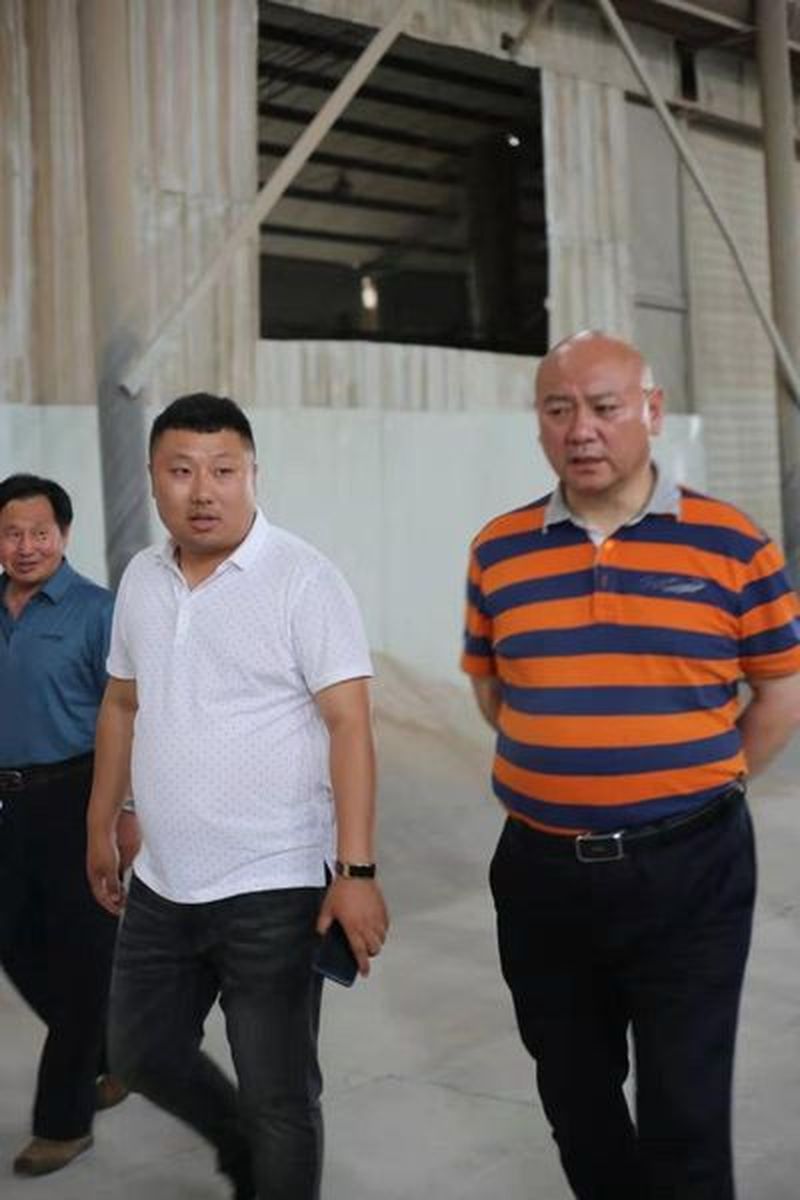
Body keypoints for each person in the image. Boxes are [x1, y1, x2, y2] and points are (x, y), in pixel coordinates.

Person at [461, 331, 800, 1200]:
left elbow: (780, 692)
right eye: (558, 409)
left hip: (690, 871)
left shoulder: (732, 544)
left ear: (651, 411)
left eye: (604, 407)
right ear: (539, 423)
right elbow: (495, 692)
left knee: (685, 1113)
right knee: (575, 1097)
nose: (581, 429)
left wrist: (702, 783)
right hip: (541, 874)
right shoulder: (499, 550)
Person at [86, 392, 388, 1200]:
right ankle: (242, 1152)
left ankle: (265, 1160)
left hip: (275, 885)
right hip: (163, 882)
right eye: (181, 471)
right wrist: (103, 818)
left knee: (279, 1095)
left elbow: (350, 725)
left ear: (254, 474)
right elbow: (122, 704)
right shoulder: (142, 578)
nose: (203, 491)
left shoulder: (302, 579)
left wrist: (356, 872)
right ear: (153, 478)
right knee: (138, 1051)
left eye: (223, 471)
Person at [0, 473, 136, 1177]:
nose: (26, 547)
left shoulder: (97, 612)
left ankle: (63, 1122)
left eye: (39, 532)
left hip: (79, 799)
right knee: (15, 943)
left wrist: (126, 813)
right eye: (11, 534)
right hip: (6, 805)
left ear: (64, 534)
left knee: (84, 960)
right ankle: (115, 1048)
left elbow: (134, 718)